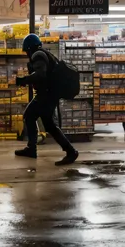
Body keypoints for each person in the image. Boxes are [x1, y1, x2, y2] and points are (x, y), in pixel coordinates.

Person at [14, 33, 79, 165]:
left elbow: (40, 74)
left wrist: (23, 80)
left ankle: (34, 148)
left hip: (47, 94)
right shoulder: (44, 53)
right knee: (47, 124)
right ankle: (68, 151)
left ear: (29, 48)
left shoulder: (38, 55)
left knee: (30, 115)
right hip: (49, 93)